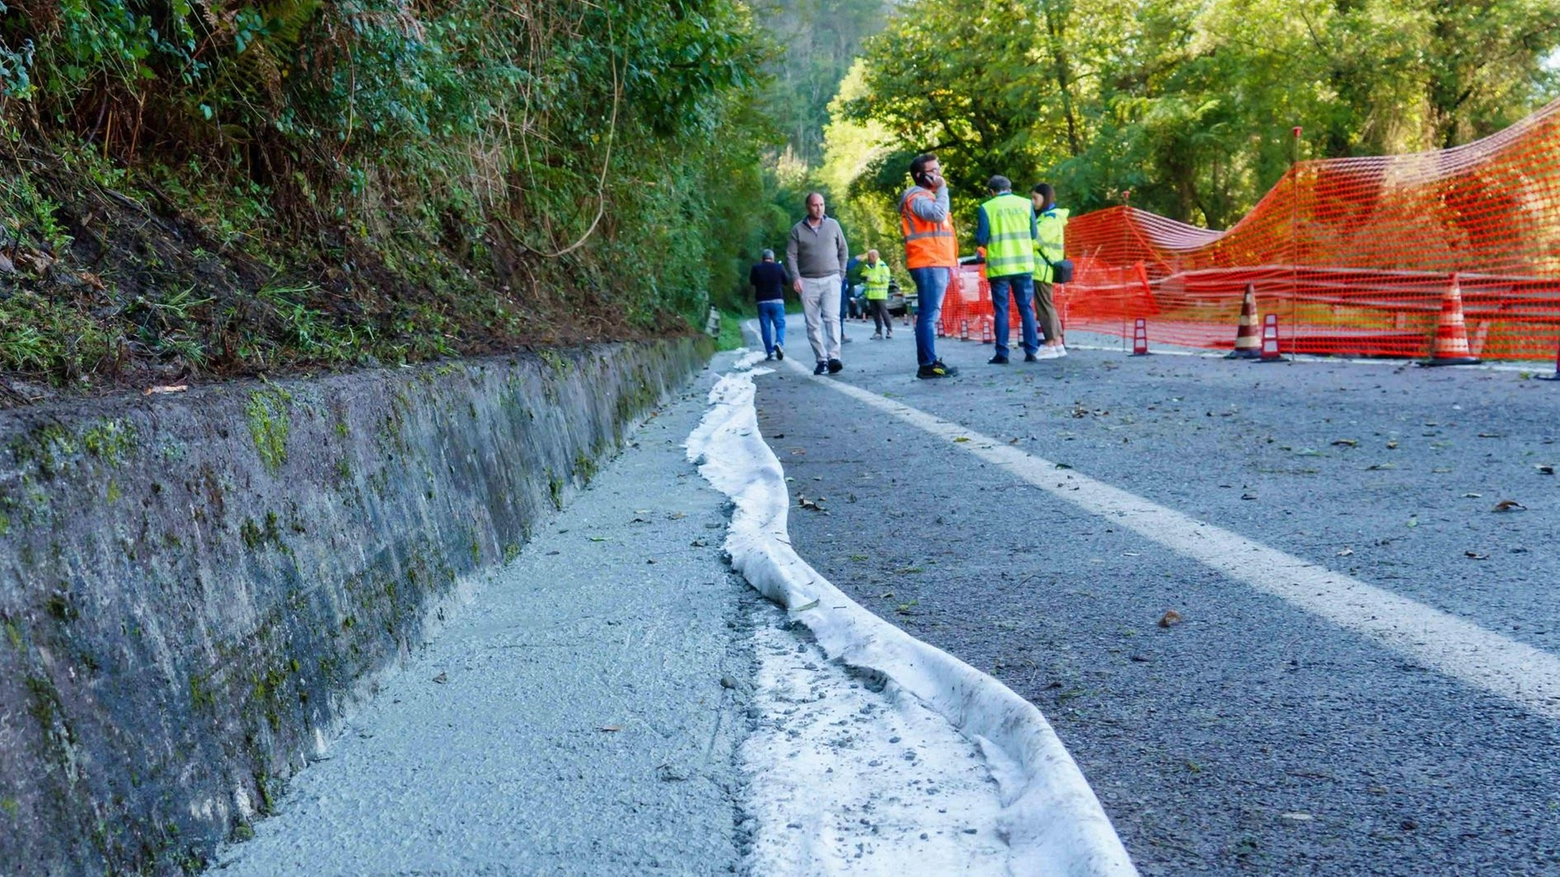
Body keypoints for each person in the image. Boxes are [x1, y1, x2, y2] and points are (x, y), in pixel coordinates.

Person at [900, 153, 960, 378]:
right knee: (929, 315)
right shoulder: (918, 197)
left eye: (938, 169)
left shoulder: (927, 196)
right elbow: (937, 215)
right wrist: (943, 188)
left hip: (934, 261)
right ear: (919, 175)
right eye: (933, 171)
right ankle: (927, 364)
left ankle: (929, 362)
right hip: (928, 261)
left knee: (928, 314)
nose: (938, 174)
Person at [973, 175, 1040, 364]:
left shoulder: (987, 207)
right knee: (1026, 308)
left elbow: (982, 239)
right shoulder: (1026, 204)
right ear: (1009, 188)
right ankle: (1031, 351)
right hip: (1023, 265)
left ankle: (1002, 353)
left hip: (1000, 268)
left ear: (991, 192)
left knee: (1001, 310)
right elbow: (1034, 233)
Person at [786, 192, 849, 374]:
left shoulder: (833, 225)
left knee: (832, 318)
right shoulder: (798, 230)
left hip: (831, 278)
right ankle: (821, 359)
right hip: (807, 281)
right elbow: (791, 255)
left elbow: (843, 249)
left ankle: (834, 357)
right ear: (808, 207)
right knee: (812, 323)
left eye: (822, 204)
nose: (819, 208)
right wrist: (796, 277)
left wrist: (841, 273)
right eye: (815, 205)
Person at [1031, 183, 1070, 358]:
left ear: (1044, 198)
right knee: (1048, 306)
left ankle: (1050, 343)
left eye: (1035, 198)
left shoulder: (1050, 219)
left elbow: (1035, 241)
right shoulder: (1050, 217)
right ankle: (1057, 343)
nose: (1033, 202)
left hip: (1042, 270)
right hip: (1043, 269)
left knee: (1044, 307)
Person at [749, 249, 789, 360]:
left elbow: (752, 281)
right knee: (780, 324)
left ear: (762, 258)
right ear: (773, 258)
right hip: (777, 300)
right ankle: (779, 343)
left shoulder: (756, 268)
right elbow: (787, 281)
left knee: (765, 327)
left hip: (762, 301)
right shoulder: (779, 267)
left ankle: (770, 352)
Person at [861, 249, 894, 339]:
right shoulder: (868, 266)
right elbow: (863, 275)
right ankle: (878, 331)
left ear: (874, 256)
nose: (868, 258)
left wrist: (873, 278)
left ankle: (889, 330)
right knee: (875, 314)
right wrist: (865, 277)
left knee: (884, 312)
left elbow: (885, 279)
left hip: (880, 294)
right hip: (871, 294)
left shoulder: (883, 266)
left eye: (869, 256)